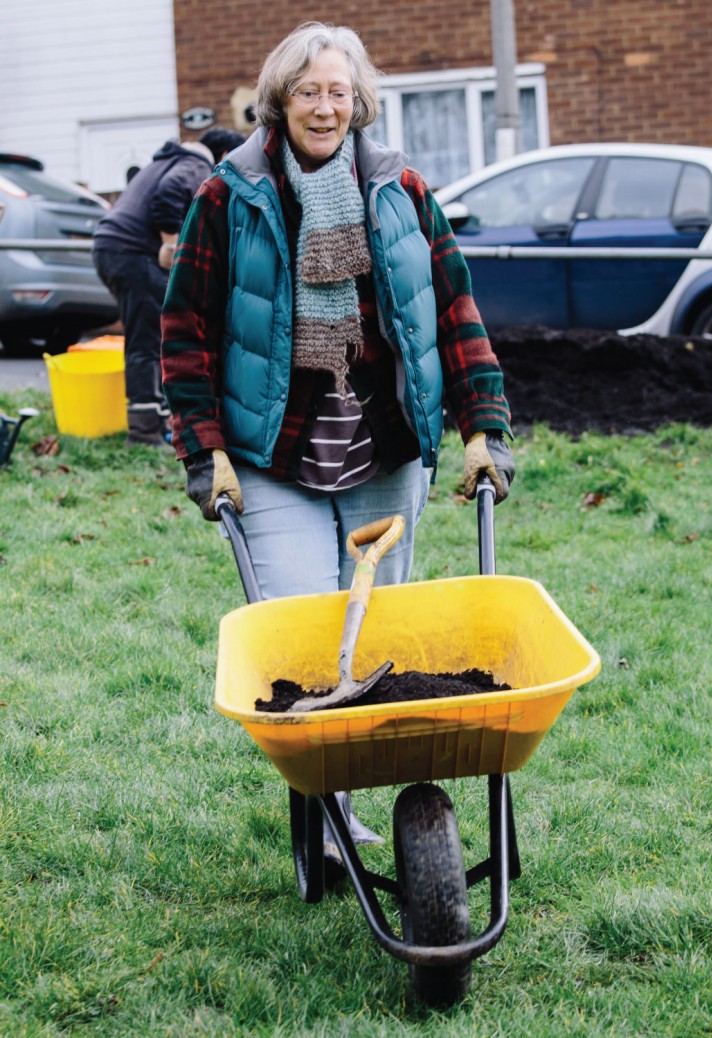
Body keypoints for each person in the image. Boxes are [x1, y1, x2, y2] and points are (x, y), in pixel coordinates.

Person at [160, 22, 514, 856]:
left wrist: (483, 428)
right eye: (309, 91)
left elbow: (454, 312)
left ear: (360, 102)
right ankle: (326, 819)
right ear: (279, 99)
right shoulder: (231, 193)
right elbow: (185, 330)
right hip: (271, 454)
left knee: (375, 636)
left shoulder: (398, 186)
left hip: (381, 445)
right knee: (310, 637)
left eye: (339, 92)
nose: (326, 107)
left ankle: (352, 798)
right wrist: (201, 447)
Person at [92, 127, 245, 445]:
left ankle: (157, 420)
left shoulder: (170, 159)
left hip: (112, 248)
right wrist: (169, 243)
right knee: (148, 338)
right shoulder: (194, 165)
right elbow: (168, 196)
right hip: (132, 251)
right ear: (224, 156)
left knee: (149, 333)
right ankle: (144, 432)